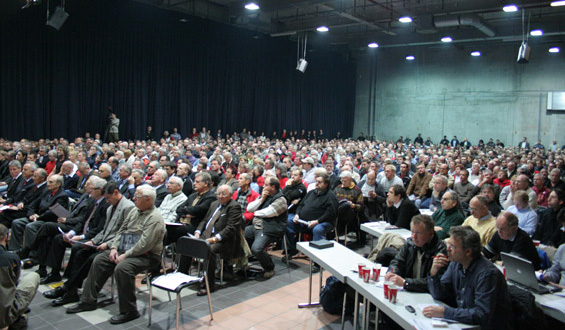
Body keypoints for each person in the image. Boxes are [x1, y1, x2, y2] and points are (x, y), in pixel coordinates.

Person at [66, 185, 165, 325]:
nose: (134, 198)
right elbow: (121, 230)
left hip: (147, 256)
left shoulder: (155, 218)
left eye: (137, 197)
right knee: (100, 259)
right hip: (126, 250)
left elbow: (145, 244)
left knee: (123, 268)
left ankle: (129, 311)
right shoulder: (134, 211)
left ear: (148, 199)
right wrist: (113, 248)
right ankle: (87, 300)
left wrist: (125, 255)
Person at [43, 181, 135, 307]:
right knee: (79, 251)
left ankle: (68, 288)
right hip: (102, 242)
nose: (107, 201)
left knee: (93, 258)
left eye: (108, 198)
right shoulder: (110, 208)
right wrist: (93, 241)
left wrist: (108, 244)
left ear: (116, 193)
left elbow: (124, 233)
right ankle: (71, 291)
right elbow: (105, 230)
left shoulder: (128, 207)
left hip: (116, 246)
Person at [424, 226, 513, 330]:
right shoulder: (456, 264)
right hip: (465, 324)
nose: (447, 249)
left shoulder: (487, 274)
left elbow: (481, 314)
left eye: (452, 247)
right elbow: (440, 295)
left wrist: (445, 312)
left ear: (468, 252)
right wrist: (434, 274)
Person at [193, 185, 241, 295]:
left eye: (224, 194)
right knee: (186, 243)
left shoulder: (234, 206)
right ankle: (183, 275)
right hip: (206, 235)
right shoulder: (214, 204)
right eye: (219, 194)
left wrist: (214, 239)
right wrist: (197, 232)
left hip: (224, 240)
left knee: (210, 249)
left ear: (230, 195)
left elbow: (231, 228)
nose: (220, 196)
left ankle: (209, 285)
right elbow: (205, 220)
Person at [285, 173, 338, 267]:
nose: (316, 184)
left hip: (323, 222)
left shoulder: (331, 196)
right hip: (304, 221)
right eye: (316, 181)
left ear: (326, 184)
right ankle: (292, 250)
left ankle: (317, 262)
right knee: (288, 223)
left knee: (317, 229)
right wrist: (297, 214)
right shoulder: (311, 193)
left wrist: (317, 221)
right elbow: (301, 205)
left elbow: (330, 213)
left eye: (319, 182)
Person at [385, 214, 447, 292]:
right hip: (409, 290)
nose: (414, 236)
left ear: (430, 233)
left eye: (418, 233)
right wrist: (392, 273)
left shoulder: (440, 251)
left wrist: (405, 283)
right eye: (412, 232)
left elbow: (433, 282)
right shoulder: (410, 243)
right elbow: (397, 262)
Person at [170, 172, 216, 273]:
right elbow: (179, 209)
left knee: (174, 233)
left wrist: (187, 211)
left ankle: (181, 269)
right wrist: (187, 213)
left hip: (196, 227)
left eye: (197, 182)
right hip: (183, 224)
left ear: (206, 184)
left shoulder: (210, 197)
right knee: (165, 232)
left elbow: (199, 210)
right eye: (194, 181)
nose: (194, 184)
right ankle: (167, 266)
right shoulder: (192, 196)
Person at [245, 177, 287, 279]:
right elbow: (249, 208)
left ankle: (269, 267)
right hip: (255, 226)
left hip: (269, 228)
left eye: (266, 184)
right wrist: (262, 199)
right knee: (239, 236)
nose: (263, 186)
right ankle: (243, 262)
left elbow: (268, 212)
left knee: (257, 248)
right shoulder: (265, 196)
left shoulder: (281, 199)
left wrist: (255, 213)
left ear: (273, 187)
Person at [0, 224, 40, 330]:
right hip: (4, 315)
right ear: (6, 237)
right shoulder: (11, 258)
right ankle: (13, 319)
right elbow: (14, 282)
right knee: (33, 276)